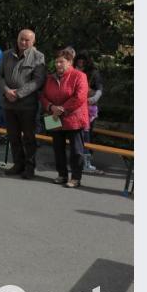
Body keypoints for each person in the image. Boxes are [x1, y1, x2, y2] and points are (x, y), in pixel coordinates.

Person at [0, 29, 47, 179]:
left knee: (29, 138)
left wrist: (18, 94)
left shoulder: (38, 57)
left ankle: (29, 167)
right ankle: (18, 164)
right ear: (17, 39)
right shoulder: (6, 55)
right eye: (21, 39)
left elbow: (38, 81)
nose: (23, 43)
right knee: (13, 136)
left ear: (33, 42)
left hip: (27, 105)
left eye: (27, 40)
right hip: (8, 104)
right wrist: (6, 91)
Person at [40, 48, 90, 188]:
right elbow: (43, 96)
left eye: (61, 62)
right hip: (53, 117)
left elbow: (80, 97)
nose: (58, 65)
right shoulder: (50, 78)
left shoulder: (80, 76)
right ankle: (62, 175)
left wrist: (61, 109)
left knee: (76, 150)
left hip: (74, 118)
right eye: (56, 62)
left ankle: (75, 178)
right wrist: (50, 107)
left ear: (70, 62)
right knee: (57, 148)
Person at [74, 51, 104, 172]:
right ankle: (76, 159)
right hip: (74, 107)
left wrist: (93, 99)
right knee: (75, 135)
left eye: (83, 61)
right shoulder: (72, 71)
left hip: (89, 108)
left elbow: (99, 88)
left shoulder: (94, 73)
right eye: (79, 61)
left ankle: (86, 161)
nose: (80, 63)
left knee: (86, 135)